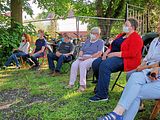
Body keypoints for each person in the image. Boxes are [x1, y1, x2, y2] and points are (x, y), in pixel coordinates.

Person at [89, 18, 143, 102]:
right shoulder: (121, 35)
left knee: (105, 65)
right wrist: (106, 53)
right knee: (96, 63)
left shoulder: (136, 38)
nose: (124, 26)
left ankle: (102, 95)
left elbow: (131, 53)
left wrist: (114, 54)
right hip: (111, 56)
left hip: (125, 59)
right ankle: (100, 86)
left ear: (132, 27)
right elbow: (112, 46)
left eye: (126, 25)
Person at [67, 27, 104, 92]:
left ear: (98, 35)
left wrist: (88, 57)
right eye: (91, 33)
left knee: (82, 65)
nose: (91, 34)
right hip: (83, 57)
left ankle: (82, 85)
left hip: (93, 57)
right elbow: (82, 50)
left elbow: (99, 53)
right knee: (74, 65)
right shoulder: (87, 41)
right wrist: (81, 55)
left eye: (93, 33)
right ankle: (71, 83)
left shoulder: (100, 42)